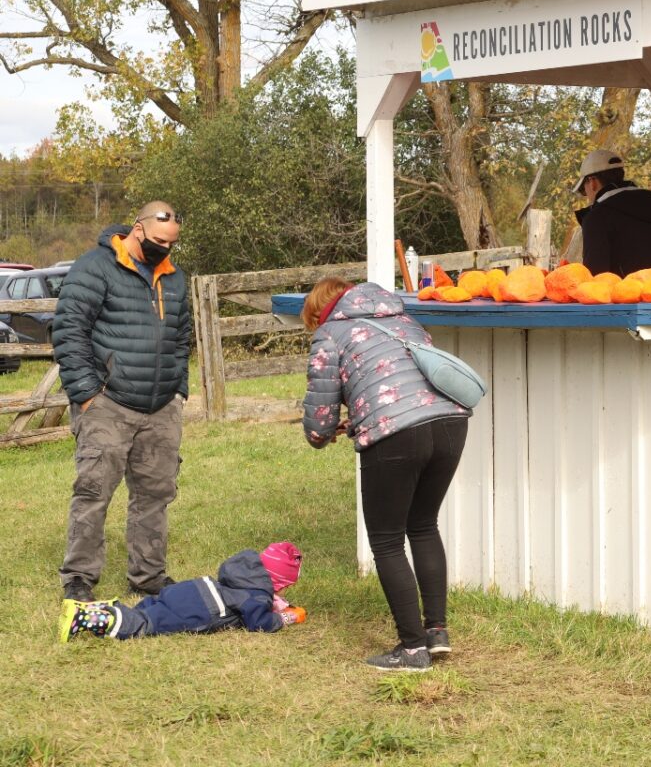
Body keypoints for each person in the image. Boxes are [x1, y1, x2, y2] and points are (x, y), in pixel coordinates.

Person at [301, 277, 470, 672]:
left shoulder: (330, 334)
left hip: (396, 433)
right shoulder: (403, 319)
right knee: (424, 525)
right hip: (449, 424)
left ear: (318, 311)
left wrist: (323, 434)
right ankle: (436, 632)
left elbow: (318, 422)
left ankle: (412, 650)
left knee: (387, 542)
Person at [52, 201, 191, 602]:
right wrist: (87, 394)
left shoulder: (174, 277)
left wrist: (178, 388)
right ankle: (78, 577)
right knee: (93, 491)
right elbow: (68, 330)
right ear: (138, 229)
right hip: (108, 404)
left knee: (155, 495)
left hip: (161, 406)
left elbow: (182, 336)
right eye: (159, 241)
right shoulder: (94, 267)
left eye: (171, 244)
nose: (164, 249)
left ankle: (148, 577)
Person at [59, 542, 305, 642]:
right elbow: (259, 623)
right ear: (275, 580)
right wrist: (286, 617)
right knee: (145, 624)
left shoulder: (242, 574)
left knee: (145, 610)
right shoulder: (255, 596)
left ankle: (96, 608)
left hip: (187, 590)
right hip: (196, 609)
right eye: (281, 586)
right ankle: (86, 618)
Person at [573, 148, 651, 277]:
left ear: (592, 182)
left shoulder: (596, 219)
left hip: (624, 295)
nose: (586, 195)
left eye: (584, 189)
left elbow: (596, 278)